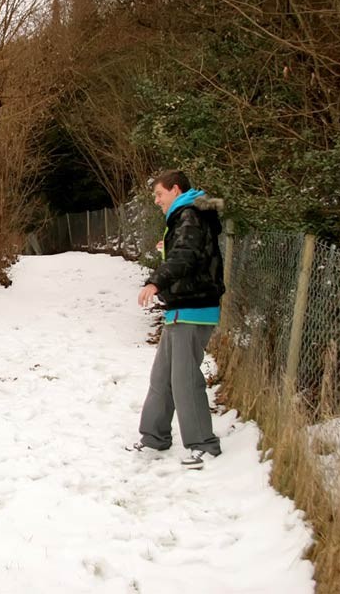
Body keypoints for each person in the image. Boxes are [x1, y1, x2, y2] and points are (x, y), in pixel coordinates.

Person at [127, 170, 225, 470]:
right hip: (180, 308)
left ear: (176, 189)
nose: (157, 201)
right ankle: (155, 436)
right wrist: (165, 249)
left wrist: (155, 281)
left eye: (159, 194)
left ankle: (203, 445)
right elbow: (188, 251)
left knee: (184, 378)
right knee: (162, 377)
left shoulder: (189, 215)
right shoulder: (186, 216)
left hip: (194, 309)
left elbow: (185, 256)